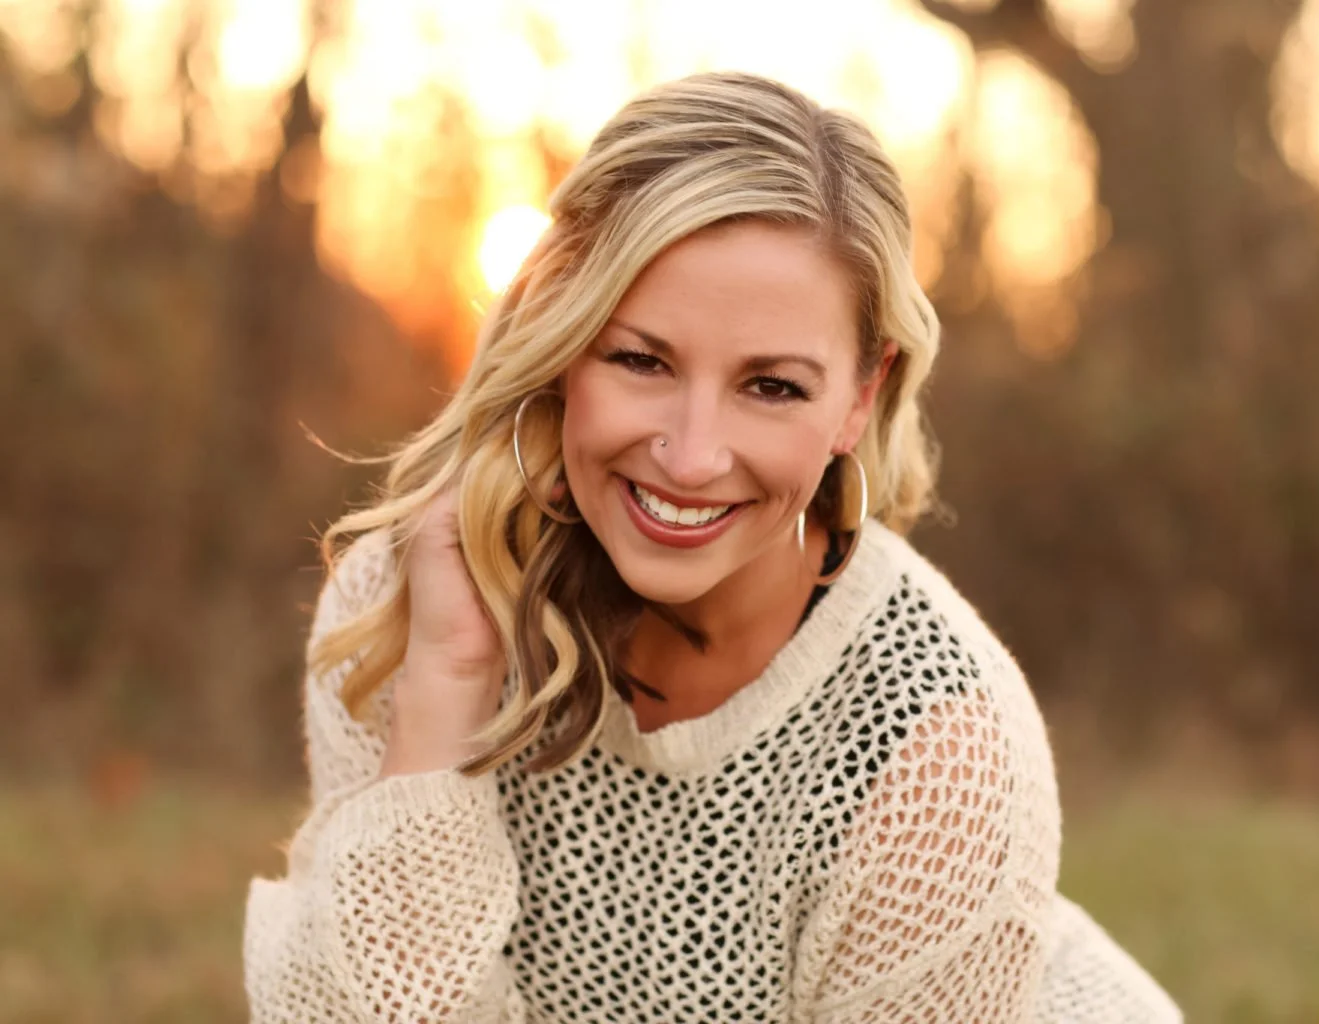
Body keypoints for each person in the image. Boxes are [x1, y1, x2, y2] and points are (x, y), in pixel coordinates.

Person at [242, 71, 1181, 1023]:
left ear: (860, 395)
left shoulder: (936, 749)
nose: (691, 458)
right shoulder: (412, 604)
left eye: (771, 386)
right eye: (641, 360)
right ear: (561, 347)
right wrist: (447, 682)